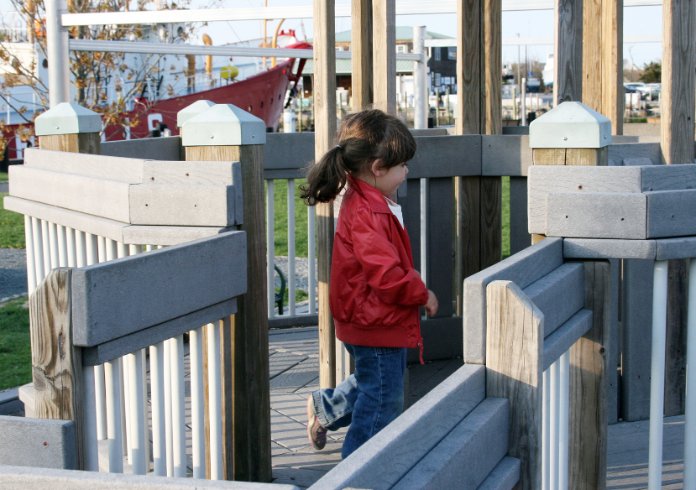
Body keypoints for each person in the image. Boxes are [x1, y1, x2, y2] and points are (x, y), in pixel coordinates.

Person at [300, 109, 439, 459]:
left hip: (368, 317)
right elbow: (386, 275)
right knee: (381, 404)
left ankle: (325, 409)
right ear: (378, 168)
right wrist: (421, 292)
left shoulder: (368, 200)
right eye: (402, 165)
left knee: (372, 382)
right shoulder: (369, 212)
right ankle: (360, 473)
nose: (406, 171)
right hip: (375, 320)